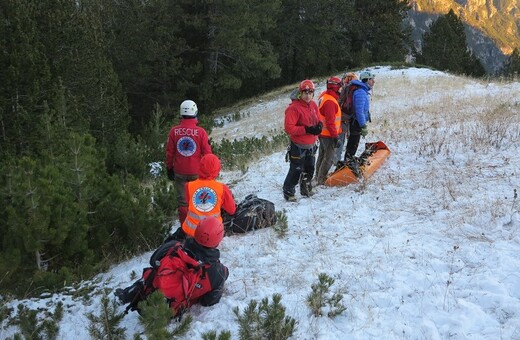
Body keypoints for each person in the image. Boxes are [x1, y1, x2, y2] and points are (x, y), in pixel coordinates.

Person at [115, 216, 229, 316]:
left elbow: (153, 260)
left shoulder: (175, 246)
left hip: (146, 299)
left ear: (197, 231)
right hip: (169, 314)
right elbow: (207, 302)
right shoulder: (218, 272)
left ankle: (127, 294)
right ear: (218, 240)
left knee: (153, 271)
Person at [165, 100, 212, 225]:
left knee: (183, 203)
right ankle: (201, 226)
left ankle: (185, 229)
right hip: (197, 172)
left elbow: (170, 152)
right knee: (199, 200)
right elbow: (208, 154)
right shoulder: (201, 132)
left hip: (179, 171)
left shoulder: (174, 131)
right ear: (195, 112)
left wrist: (169, 168)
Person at [169, 153, 236, 240]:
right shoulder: (222, 188)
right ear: (217, 169)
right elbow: (232, 210)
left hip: (191, 232)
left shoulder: (188, 186)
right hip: (212, 233)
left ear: (200, 166)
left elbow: (189, 206)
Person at [282, 79, 322, 201]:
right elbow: (289, 128)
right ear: (300, 93)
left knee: (310, 168)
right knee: (296, 170)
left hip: (311, 144)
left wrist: (319, 125)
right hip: (298, 145)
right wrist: (307, 129)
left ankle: (306, 189)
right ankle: (288, 192)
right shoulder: (294, 108)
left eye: (310, 92)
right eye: (305, 92)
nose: (308, 95)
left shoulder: (314, 105)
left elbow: (318, 118)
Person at [315, 76, 342, 185]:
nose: (341, 88)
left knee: (322, 155)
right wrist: (335, 137)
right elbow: (330, 122)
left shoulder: (325, 96)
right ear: (335, 87)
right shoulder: (330, 102)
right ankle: (321, 179)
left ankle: (317, 176)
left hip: (323, 133)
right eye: (340, 86)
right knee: (329, 158)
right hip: (328, 135)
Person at [343, 71, 375, 163]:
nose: (374, 81)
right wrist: (363, 125)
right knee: (353, 144)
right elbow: (359, 111)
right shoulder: (360, 92)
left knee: (353, 144)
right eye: (372, 79)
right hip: (356, 123)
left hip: (356, 122)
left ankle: (348, 162)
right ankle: (347, 164)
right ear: (367, 80)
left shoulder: (362, 90)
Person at [334, 72, 359, 165]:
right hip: (341, 122)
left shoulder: (343, 91)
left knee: (339, 144)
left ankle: (336, 162)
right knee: (339, 144)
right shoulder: (348, 91)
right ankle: (336, 163)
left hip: (341, 121)